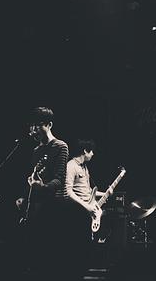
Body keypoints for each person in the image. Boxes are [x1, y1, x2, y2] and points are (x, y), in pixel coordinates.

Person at [23, 107, 70, 281]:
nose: (33, 130)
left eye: (37, 125)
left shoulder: (60, 146)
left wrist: (42, 188)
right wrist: (25, 195)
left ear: (49, 125)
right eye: (31, 126)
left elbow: (59, 179)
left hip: (54, 208)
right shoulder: (36, 151)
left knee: (51, 259)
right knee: (34, 257)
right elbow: (35, 178)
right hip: (36, 207)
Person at [64, 139, 106, 278]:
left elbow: (88, 191)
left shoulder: (85, 167)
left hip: (86, 212)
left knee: (86, 246)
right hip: (76, 212)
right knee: (77, 246)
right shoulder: (71, 166)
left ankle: (81, 273)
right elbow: (68, 191)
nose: (93, 154)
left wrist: (105, 193)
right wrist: (87, 207)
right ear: (85, 151)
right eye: (91, 151)